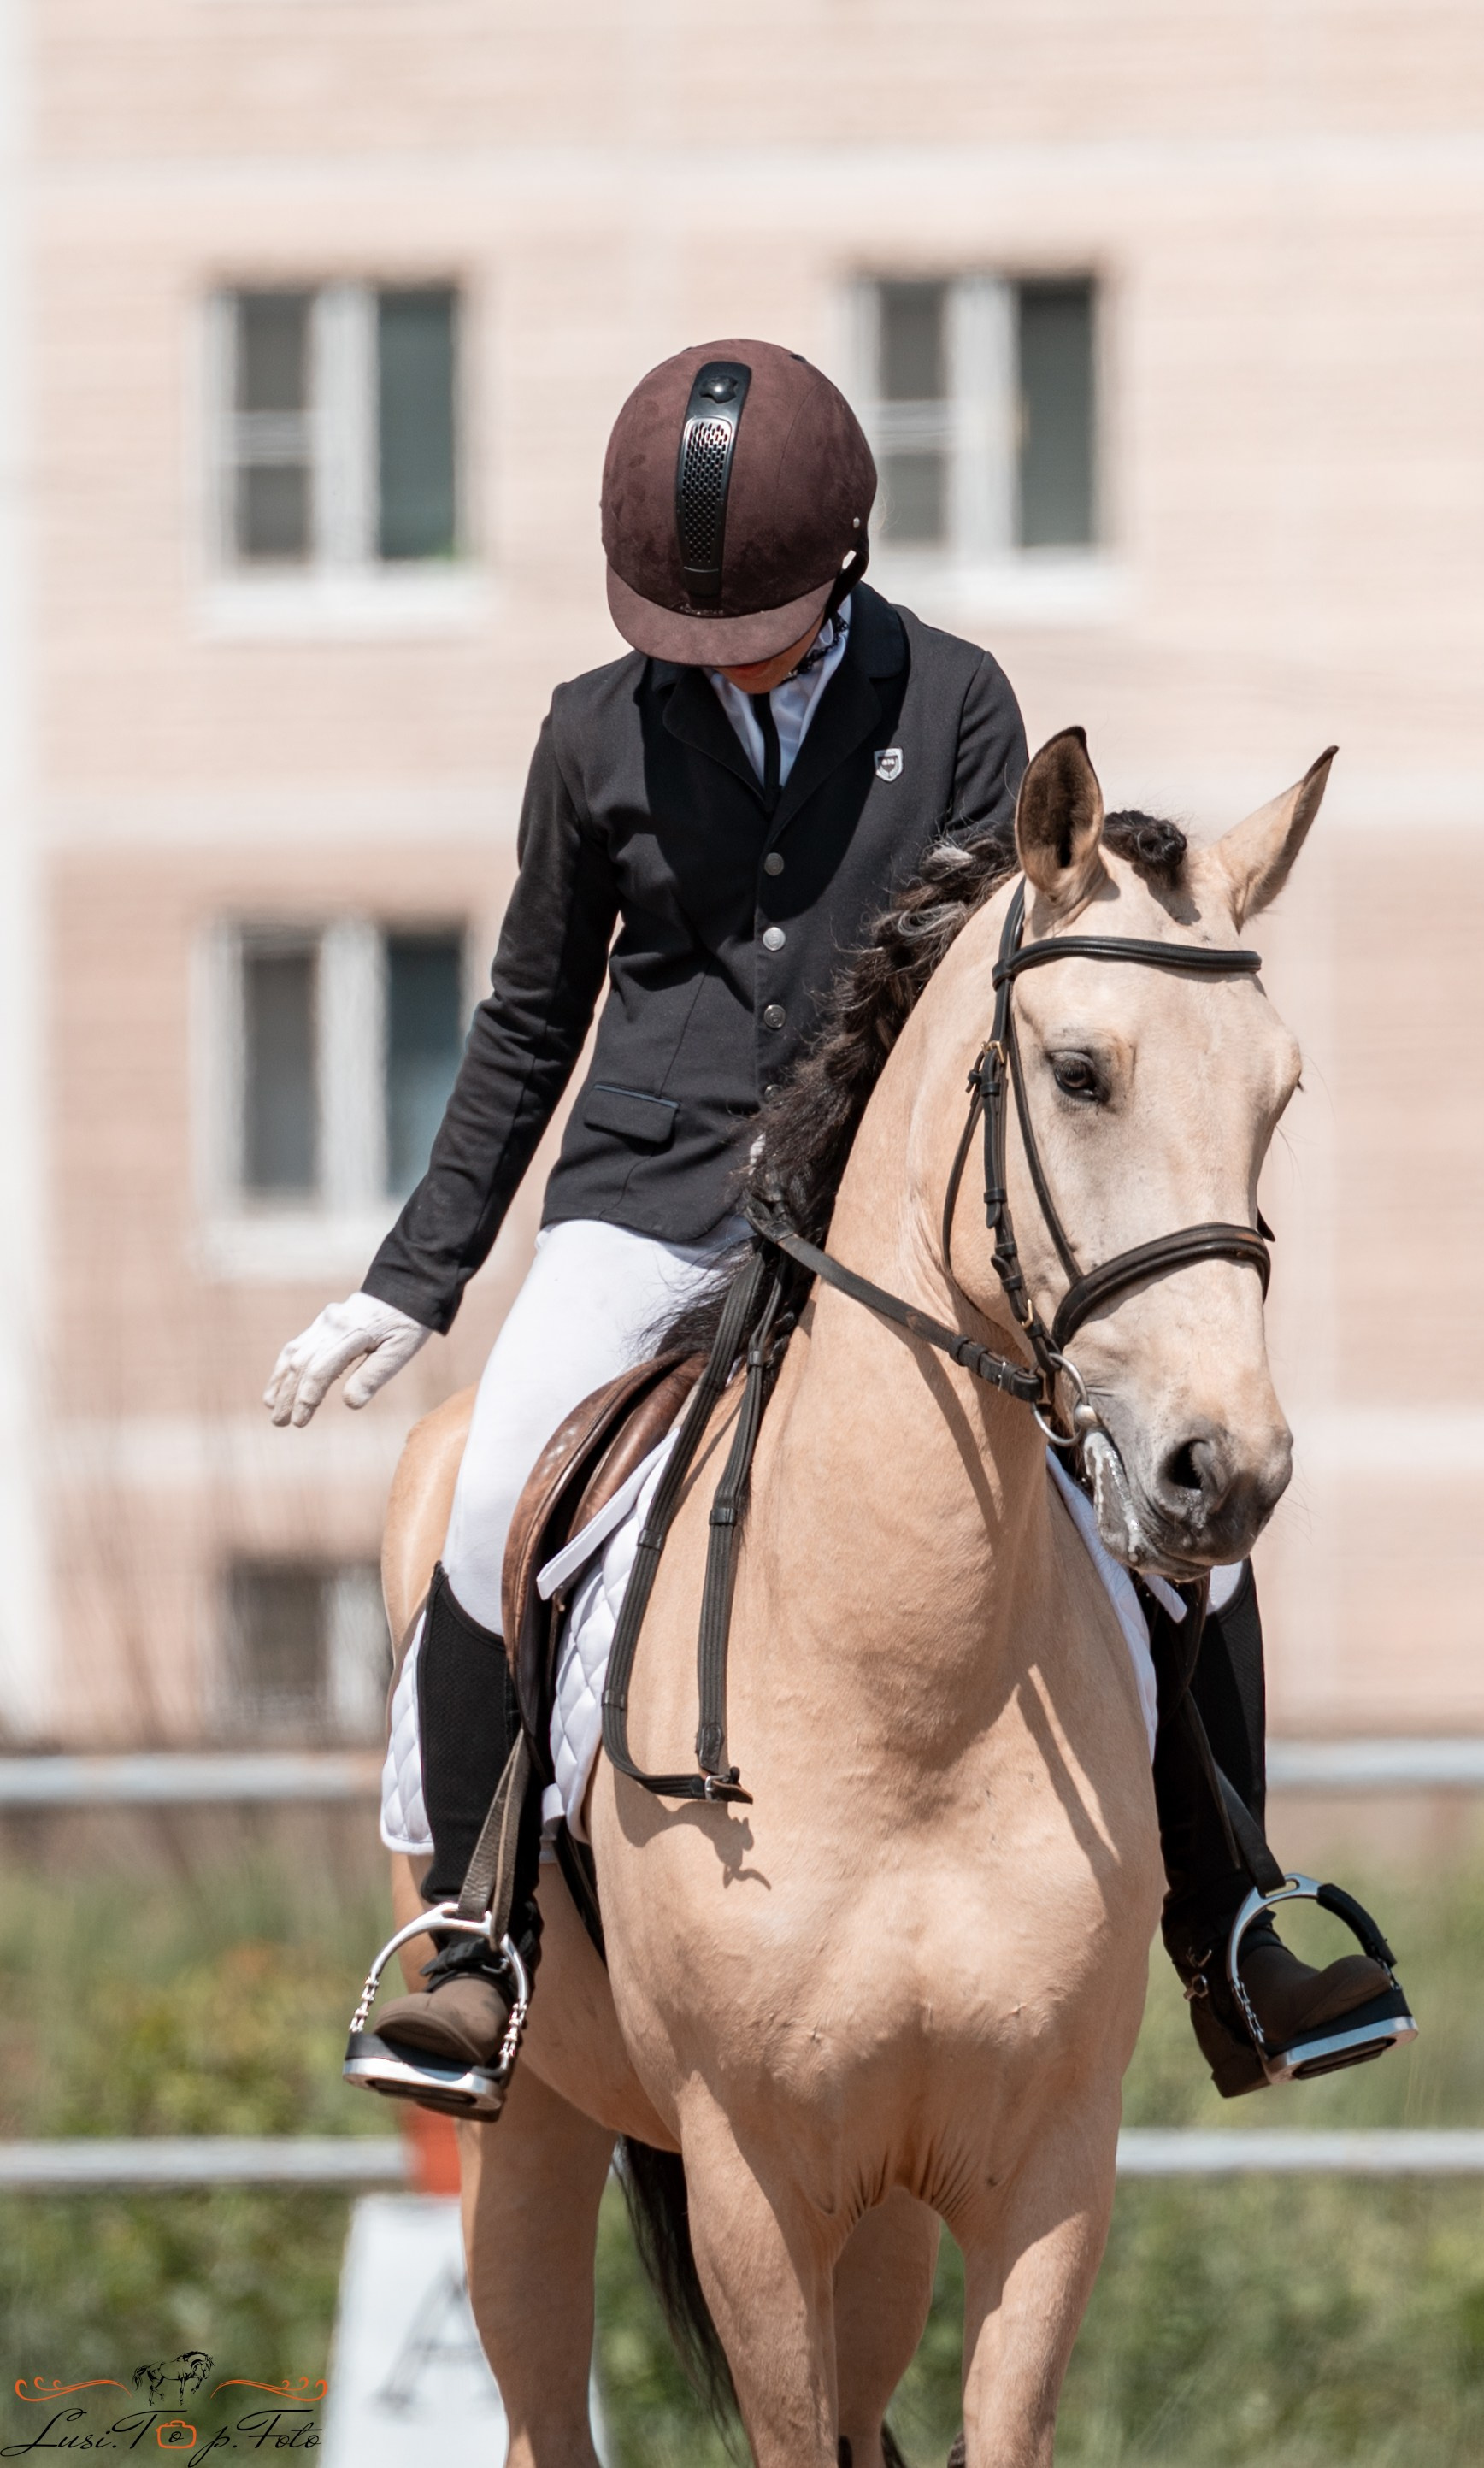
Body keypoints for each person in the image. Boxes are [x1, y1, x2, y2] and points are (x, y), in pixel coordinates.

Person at [265, 338, 1405, 2108]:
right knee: (493, 1484)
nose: (714, 662)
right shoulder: (590, 728)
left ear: (848, 561)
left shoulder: (955, 706)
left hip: (883, 1226)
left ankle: (1237, 1912)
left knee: (1202, 1547)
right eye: (683, 632)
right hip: (645, 1196)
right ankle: (475, 1934)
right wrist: (411, 1280)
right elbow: (526, 1016)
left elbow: (967, 1004)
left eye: (755, 626)